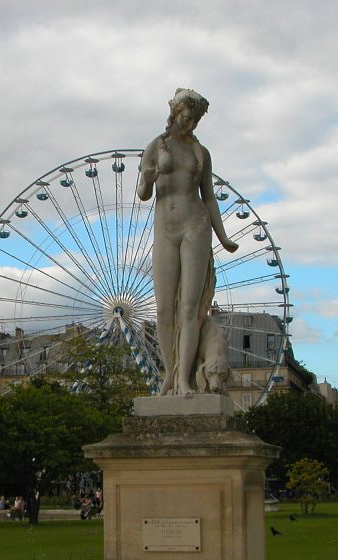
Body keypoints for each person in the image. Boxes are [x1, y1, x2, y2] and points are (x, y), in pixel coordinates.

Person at [137, 88, 239, 396]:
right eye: (186, 117)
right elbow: (143, 194)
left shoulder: (201, 153)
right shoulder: (156, 146)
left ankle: (183, 381)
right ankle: (170, 375)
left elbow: (208, 197)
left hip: (196, 225)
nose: (190, 124)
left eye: (194, 119)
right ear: (174, 113)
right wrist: (150, 176)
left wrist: (223, 237)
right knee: (164, 310)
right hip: (165, 227)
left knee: (190, 310)